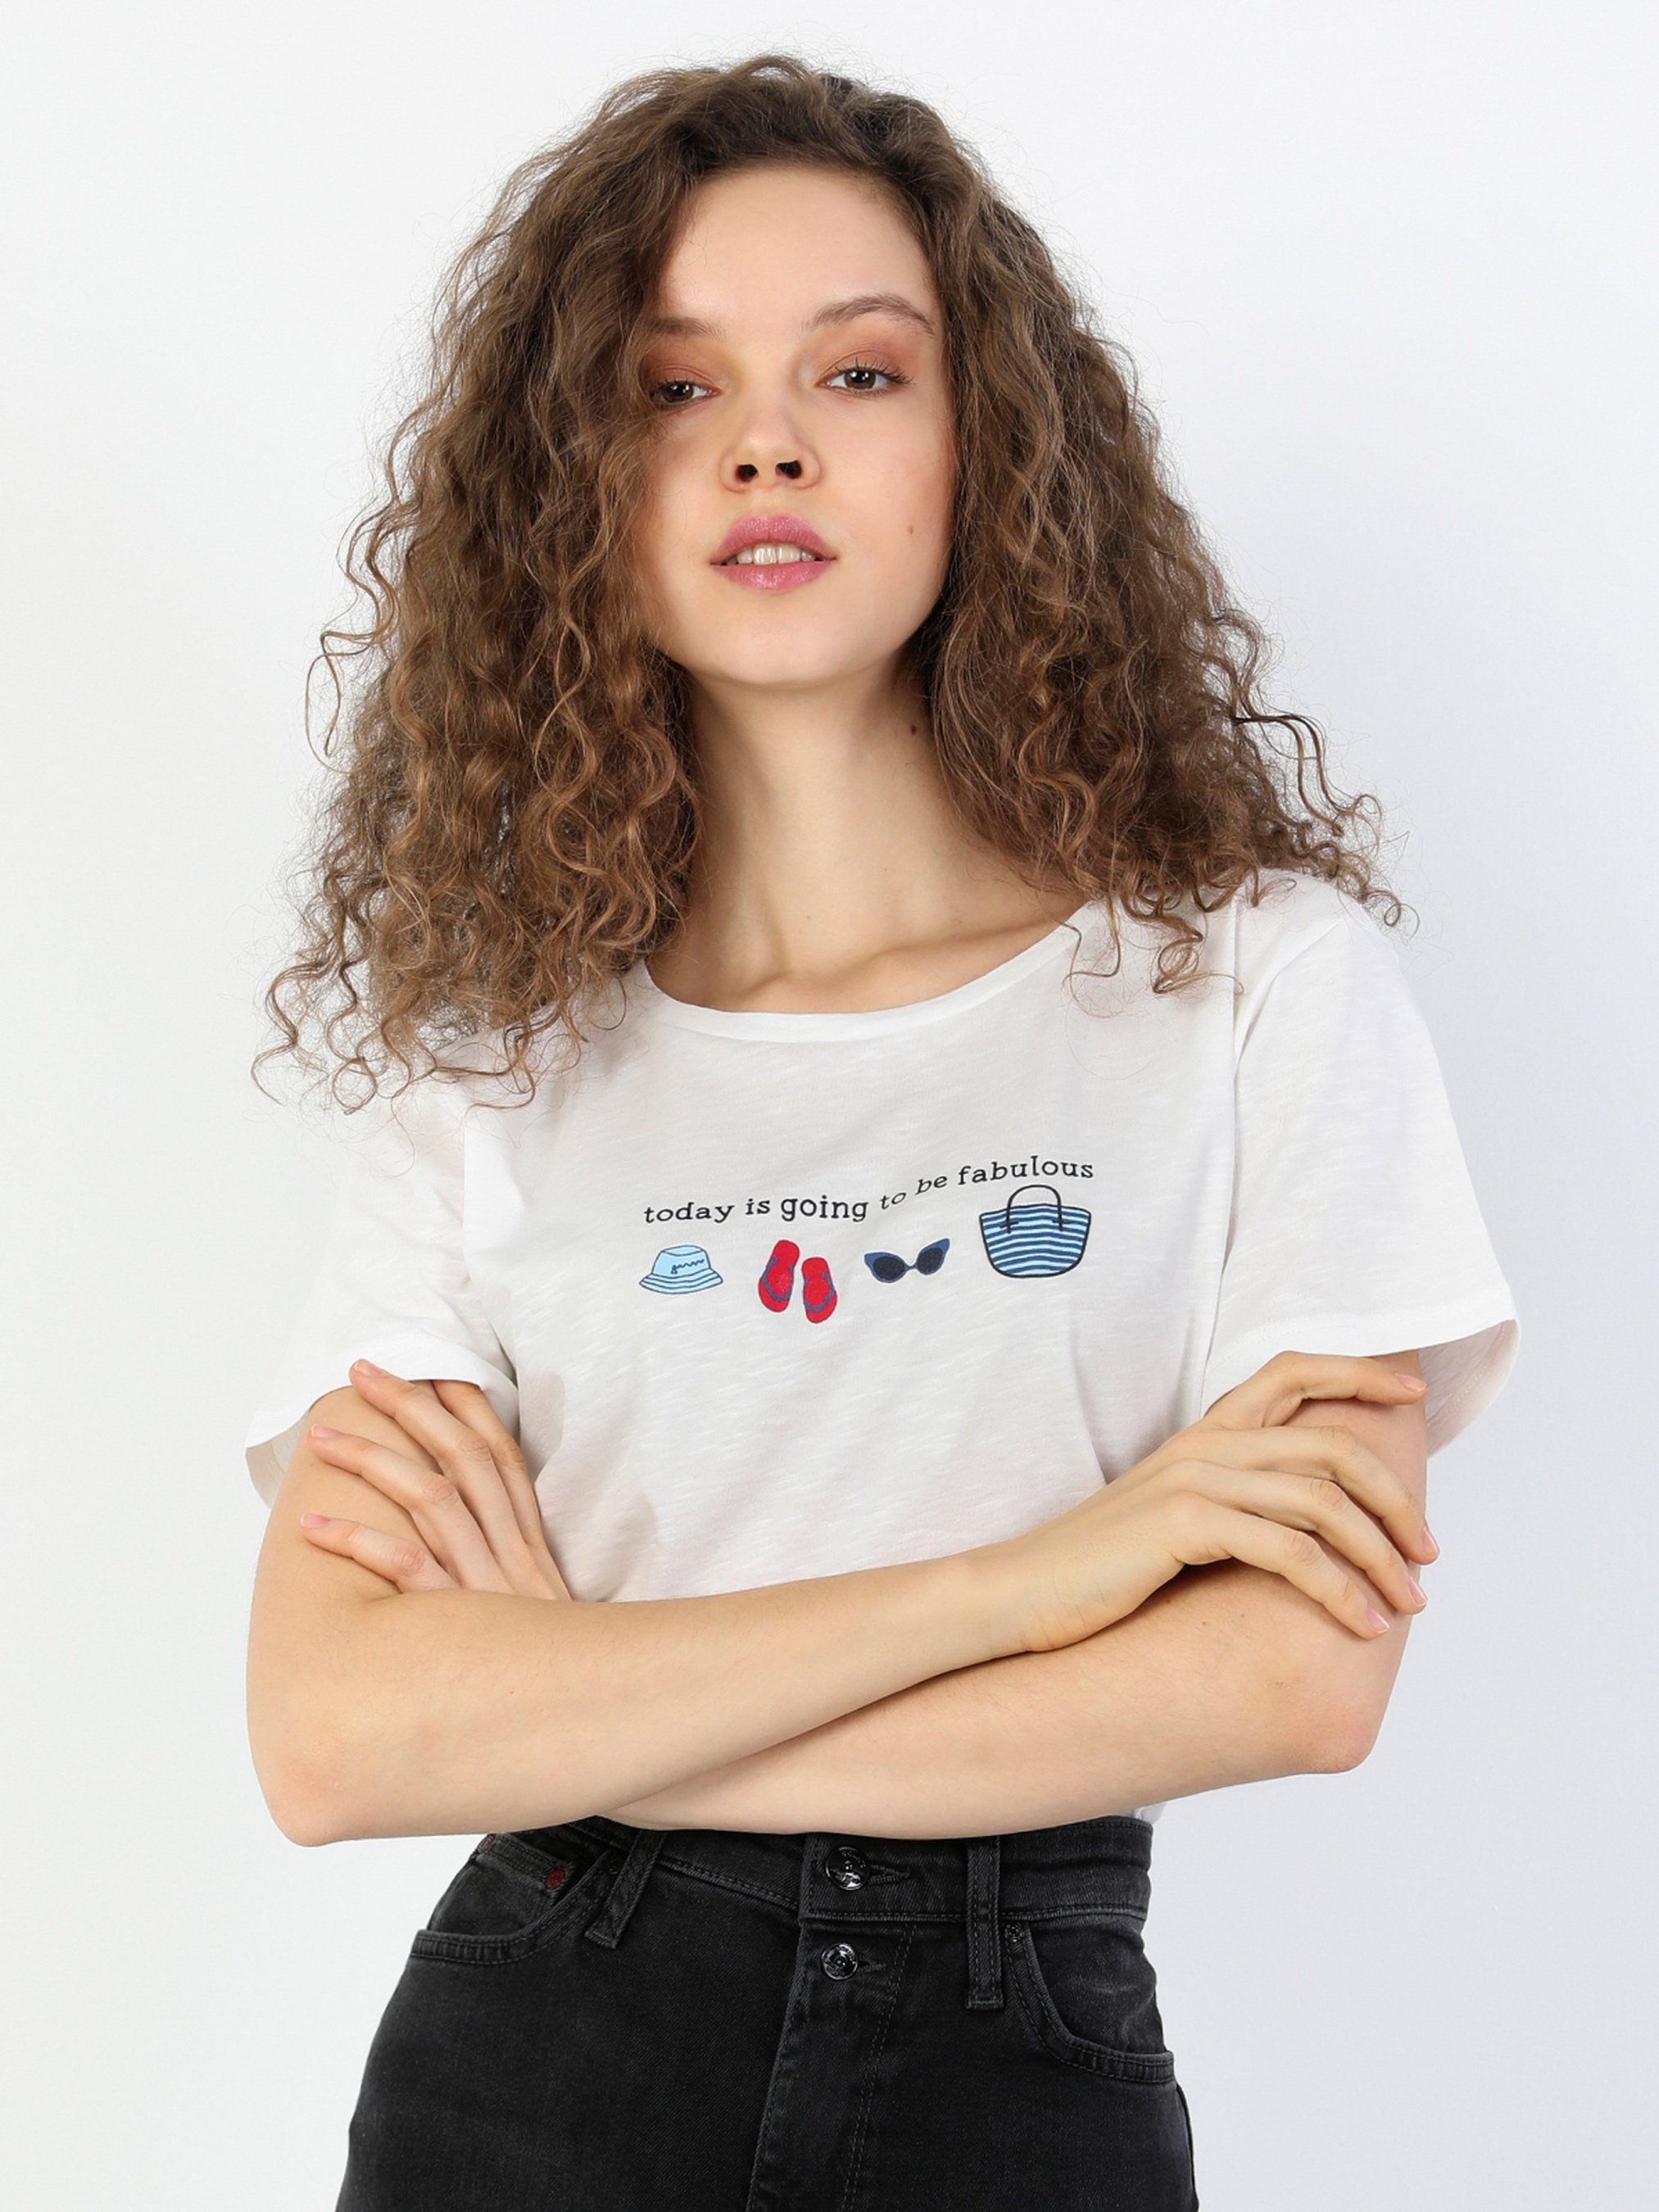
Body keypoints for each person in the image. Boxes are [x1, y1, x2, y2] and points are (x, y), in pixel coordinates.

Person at [241, 53, 1519, 2212]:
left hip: (1010, 2064)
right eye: (672, 388)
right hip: (534, 2067)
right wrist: (1038, 1584)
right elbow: (336, 1736)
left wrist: (586, 1711)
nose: (766, 442)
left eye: (856, 370)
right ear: (574, 486)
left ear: (985, 440)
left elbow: (1296, 1667)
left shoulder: (1249, 984)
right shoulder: (498, 1065)